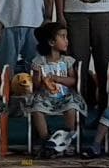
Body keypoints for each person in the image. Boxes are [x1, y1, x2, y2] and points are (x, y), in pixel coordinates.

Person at [30, 21, 87, 156]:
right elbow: (36, 86)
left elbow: (73, 81)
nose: (66, 40)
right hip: (46, 97)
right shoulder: (40, 61)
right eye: (62, 37)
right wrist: (37, 74)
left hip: (65, 96)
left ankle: (67, 139)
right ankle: (46, 141)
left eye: (66, 37)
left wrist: (58, 78)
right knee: (37, 108)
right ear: (51, 42)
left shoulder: (68, 61)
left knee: (72, 107)